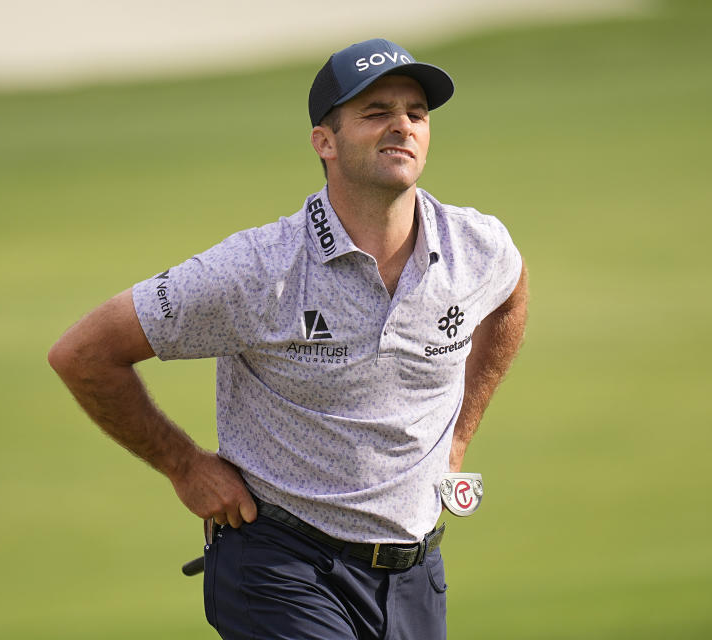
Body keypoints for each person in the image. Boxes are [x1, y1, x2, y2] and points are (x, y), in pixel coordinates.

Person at [48, 37, 528, 640]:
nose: (402, 126)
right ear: (323, 142)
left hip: (414, 572)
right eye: (376, 113)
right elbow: (84, 353)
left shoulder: (476, 247)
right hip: (282, 563)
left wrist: (462, 430)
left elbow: (511, 294)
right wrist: (184, 465)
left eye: (416, 113)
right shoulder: (257, 269)